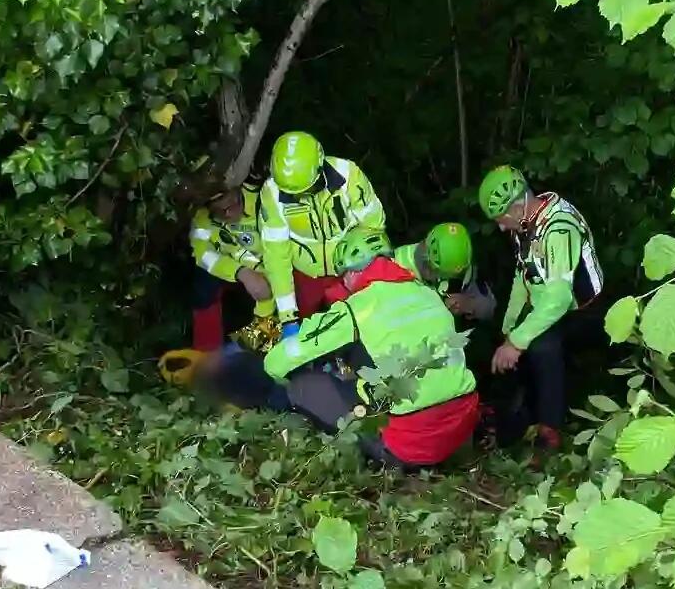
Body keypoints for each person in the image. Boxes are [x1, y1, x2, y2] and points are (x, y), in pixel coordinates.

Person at [261, 227, 480, 468]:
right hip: (461, 435)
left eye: (343, 275)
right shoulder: (430, 295)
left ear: (354, 271)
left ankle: (276, 432)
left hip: (410, 448)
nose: (343, 282)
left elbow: (276, 363)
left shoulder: (356, 308)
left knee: (304, 385)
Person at [478, 165, 604, 452]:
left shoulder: (559, 228)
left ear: (517, 207)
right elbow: (525, 276)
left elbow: (559, 297)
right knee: (505, 335)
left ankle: (550, 433)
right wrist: (508, 329)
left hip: (583, 309)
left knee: (542, 345)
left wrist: (518, 341)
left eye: (501, 219)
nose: (500, 226)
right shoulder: (525, 225)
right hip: (548, 305)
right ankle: (508, 418)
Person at [258, 131, 386, 338]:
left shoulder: (348, 176)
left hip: (350, 271)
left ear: (320, 169)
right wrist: (288, 316)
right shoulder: (273, 192)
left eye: (303, 192)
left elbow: (374, 226)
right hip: (306, 276)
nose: (296, 197)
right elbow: (276, 256)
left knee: (360, 331)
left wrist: (365, 267)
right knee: (306, 336)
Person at [188, 178, 273, 352]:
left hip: (272, 275)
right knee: (202, 281)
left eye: (231, 205)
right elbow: (202, 253)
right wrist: (241, 272)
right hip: (237, 270)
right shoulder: (203, 217)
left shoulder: (265, 199)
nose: (227, 214)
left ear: (238, 191)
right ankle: (207, 352)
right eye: (219, 210)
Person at [393, 222, 496, 321]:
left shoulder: (448, 254)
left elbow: (489, 305)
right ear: (431, 272)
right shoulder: (402, 288)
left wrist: (469, 303)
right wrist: (439, 309)